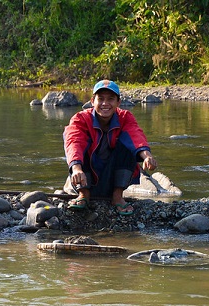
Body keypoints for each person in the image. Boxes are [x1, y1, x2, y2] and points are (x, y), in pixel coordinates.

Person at [63, 79, 157, 215]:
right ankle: (84, 195)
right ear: (92, 101)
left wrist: (147, 155)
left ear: (118, 103)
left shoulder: (125, 117)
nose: (105, 104)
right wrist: (76, 168)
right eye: (100, 99)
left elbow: (135, 135)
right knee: (79, 147)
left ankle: (117, 197)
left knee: (127, 146)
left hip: (114, 179)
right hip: (85, 178)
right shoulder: (81, 118)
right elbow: (74, 141)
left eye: (111, 99)